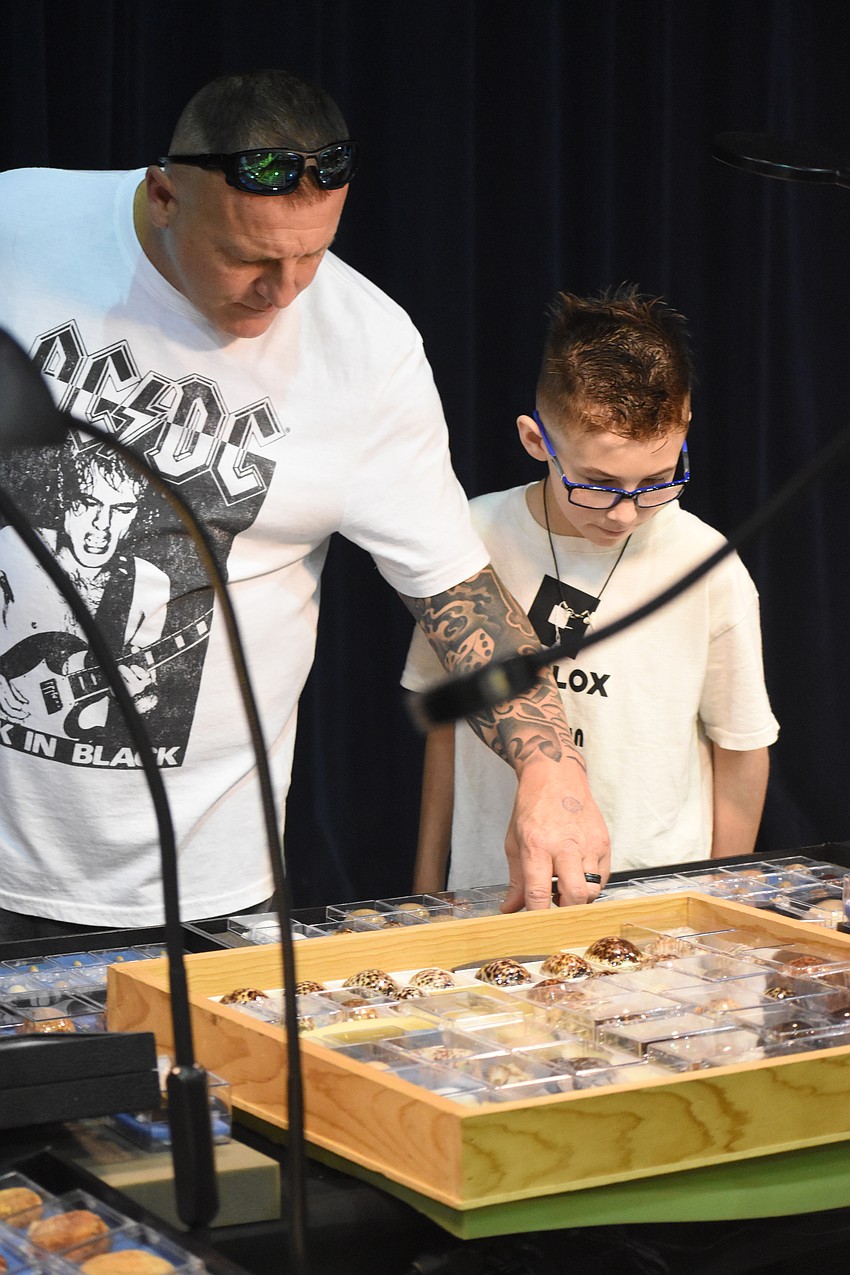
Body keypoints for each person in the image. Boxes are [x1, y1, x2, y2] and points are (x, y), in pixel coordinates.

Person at [0, 69, 608, 938]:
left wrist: (553, 771)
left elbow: (457, 595)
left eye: (311, 255)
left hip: (204, 886)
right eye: (247, 256)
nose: (282, 290)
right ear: (164, 195)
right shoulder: (20, 225)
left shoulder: (368, 351)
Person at [403, 288, 779, 892]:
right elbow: (446, 725)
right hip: (489, 893)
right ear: (535, 441)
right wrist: (426, 887)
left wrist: (719, 898)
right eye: (598, 484)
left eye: (658, 480)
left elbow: (740, 749)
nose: (625, 514)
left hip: (655, 901)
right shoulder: (470, 540)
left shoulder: (707, 565)